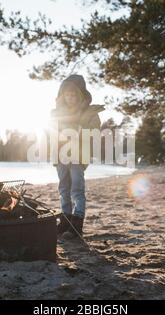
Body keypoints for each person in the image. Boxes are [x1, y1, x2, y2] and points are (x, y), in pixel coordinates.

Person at [50, 74, 104, 238]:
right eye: (67, 94)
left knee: (77, 190)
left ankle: (77, 222)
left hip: (78, 156)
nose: (70, 97)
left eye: (74, 94)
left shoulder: (89, 112)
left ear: (80, 94)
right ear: (63, 95)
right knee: (64, 189)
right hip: (61, 156)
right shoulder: (56, 112)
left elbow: (95, 131)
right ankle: (65, 221)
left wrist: (80, 131)